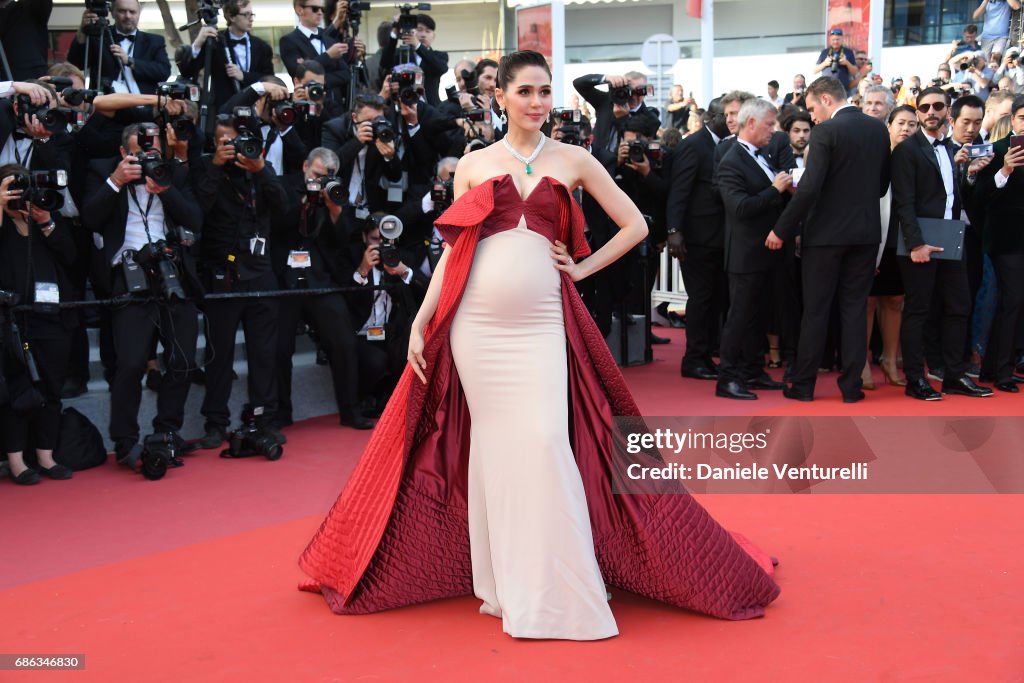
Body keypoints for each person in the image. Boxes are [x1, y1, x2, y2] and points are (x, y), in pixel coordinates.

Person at [298, 50, 780, 640]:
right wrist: (424, 319)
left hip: (541, 325)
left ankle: (561, 583)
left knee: (548, 441)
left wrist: (580, 269)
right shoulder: (474, 164)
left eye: (545, 91)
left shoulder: (573, 159)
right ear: (500, 95)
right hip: (476, 327)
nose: (536, 102)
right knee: (497, 453)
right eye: (525, 91)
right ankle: (506, 582)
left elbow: (636, 225)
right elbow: (454, 253)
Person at [766, 76, 891, 403]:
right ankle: (852, 389)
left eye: (811, 108)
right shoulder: (879, 129)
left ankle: (803, 386)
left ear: (825, 98)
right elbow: (881, 186)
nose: (812, 117)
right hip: (865, 235)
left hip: (824, 238)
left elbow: (809, 188)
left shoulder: (826, 132)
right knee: (853, 310)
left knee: (817, 311)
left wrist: (781, 228)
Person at [890, 87, 993, 400]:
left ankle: (953, 376)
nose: (931, 111)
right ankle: (914, 380)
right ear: (918, 111)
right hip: (920, 242)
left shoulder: (950, 148)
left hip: (951, 237)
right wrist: (916, 244)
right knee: (918, 311)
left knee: (959, 307)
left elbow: (949, 195)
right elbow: (903, 203)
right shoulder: (907, 150)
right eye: (924, 107)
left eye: (937, 106)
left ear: (948, 110)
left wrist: (967, 175)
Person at [714, 99, 791, 400]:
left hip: (764, 252)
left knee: (758, 316)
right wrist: (775, 190)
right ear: (750, 124)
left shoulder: (762, 155)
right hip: (745, 254)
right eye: (769, 124)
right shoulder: (732, 160)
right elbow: (739, 208)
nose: (774, 130)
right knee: (739, 318)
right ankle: (728, 378)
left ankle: (751, 370)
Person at [861, 105, 918, 390]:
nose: (906, 129)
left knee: (895, 300)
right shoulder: (876, 156)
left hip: (904, 238)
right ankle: (860, 362)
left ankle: (890, 359)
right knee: (868, 302)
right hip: (875, 235)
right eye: (901, 123)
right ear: (889, 126)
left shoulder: (919, 156)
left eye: (912, 124)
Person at [68, 0, 170, 94]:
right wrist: (83, 30)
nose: (128, 16)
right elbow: (76, 64)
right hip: (106, 106)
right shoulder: (100, 36)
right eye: (122, 11)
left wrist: (130, 61)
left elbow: (164, 72)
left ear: (139, 14)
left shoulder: (154, 41)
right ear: (112, 13)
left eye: (132, 12)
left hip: (143, 106)